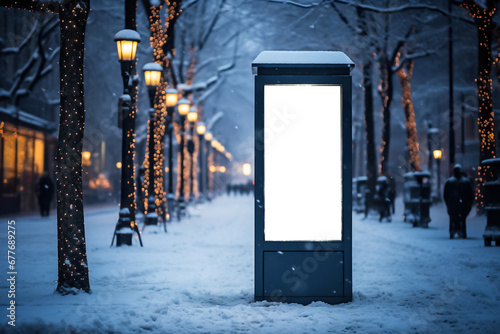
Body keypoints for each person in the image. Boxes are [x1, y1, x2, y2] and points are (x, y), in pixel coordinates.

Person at [443, 164, 474, 239]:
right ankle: (461, 231)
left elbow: (446, 195)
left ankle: (453, 231)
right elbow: (471, 195)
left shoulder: (450, 182)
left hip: (454, 204)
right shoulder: (465, 182)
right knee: (462, 219)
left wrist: (448, 203)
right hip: (462, 204)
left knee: (453, 218)